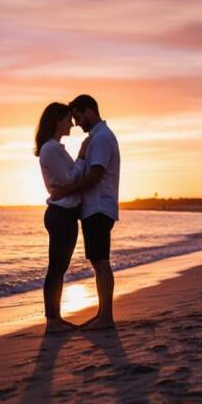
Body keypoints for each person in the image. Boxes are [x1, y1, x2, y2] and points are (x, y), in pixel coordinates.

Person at [50, 94, 120, 331]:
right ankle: (103, 314)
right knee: (98, 261)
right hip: (97, 208)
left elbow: (95, 175)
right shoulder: (98, 137)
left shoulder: (100, 139)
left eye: (78, 117)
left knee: (101, 262)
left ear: (89, 111)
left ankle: (106, 317)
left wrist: (66, 190)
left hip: (99, 207)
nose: (77, 123)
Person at [35, 102, 91, 333]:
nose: (71, 123)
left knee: (60, 267)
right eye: (68, 119)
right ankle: (52, 321)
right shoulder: (51, 149)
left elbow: (69, 183)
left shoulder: (56, 148)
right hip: (60, 214)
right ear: (57, 120)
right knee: (57, 267)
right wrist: (81, 155)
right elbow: (69, 180)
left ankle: (55, 319)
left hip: (66, 214)